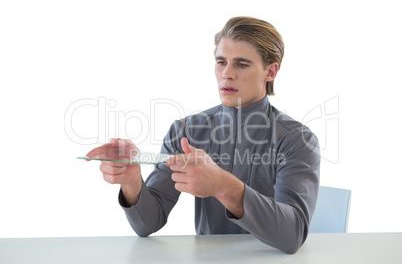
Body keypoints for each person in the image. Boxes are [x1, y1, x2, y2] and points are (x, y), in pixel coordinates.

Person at [86, 16, 320, 254]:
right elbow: (147, 223)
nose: (227, 74)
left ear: (270, 71)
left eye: (241, 64)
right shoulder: (185, 132)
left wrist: (223, 186)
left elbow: (293, 235)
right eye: (221, 62)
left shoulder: (297, 139)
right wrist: (132, 182)